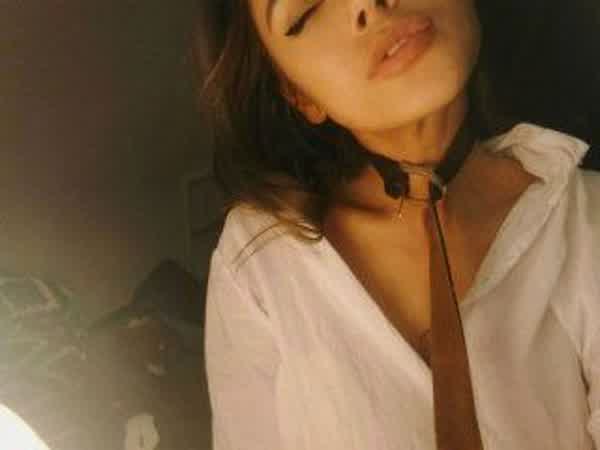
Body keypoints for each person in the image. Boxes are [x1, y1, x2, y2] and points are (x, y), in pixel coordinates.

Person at [194, 0, 600, 449]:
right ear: (298, 94)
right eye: (307, 8)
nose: (365, 2)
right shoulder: (258, 260)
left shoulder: (586, 219)